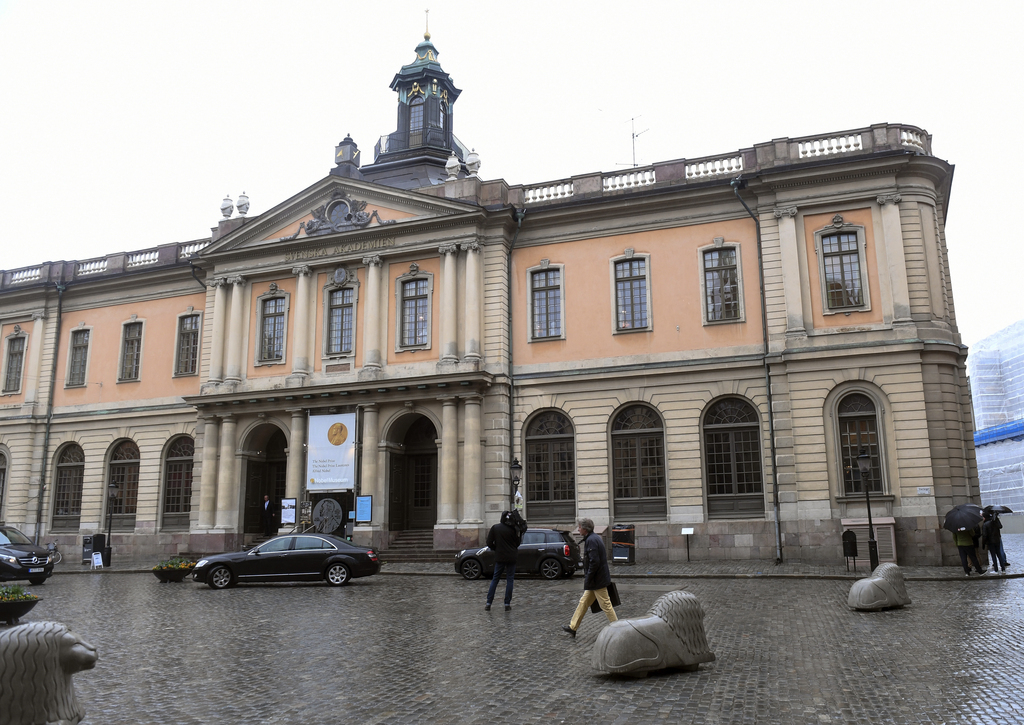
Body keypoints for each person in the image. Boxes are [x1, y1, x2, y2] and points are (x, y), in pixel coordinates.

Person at [562, 518, 617, 638]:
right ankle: (573, 627)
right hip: (596, 580)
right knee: (583, 602)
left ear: (585, 529)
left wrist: (588, 578)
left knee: (606, 605)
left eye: (580, 527)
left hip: (597, 580)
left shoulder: (591, 540)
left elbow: (594, 562)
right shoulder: (593, 538)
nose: (578, 529)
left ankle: (618, 629)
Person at [485, 511, 521, 611]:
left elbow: (489, 542)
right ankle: (507, 604)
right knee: (510, 580)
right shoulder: (514, 529)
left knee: (495, 579)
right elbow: (517, 543)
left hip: (500, 556)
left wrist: (496, 548)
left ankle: (488, 603)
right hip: (512, 557)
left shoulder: (495, 528)